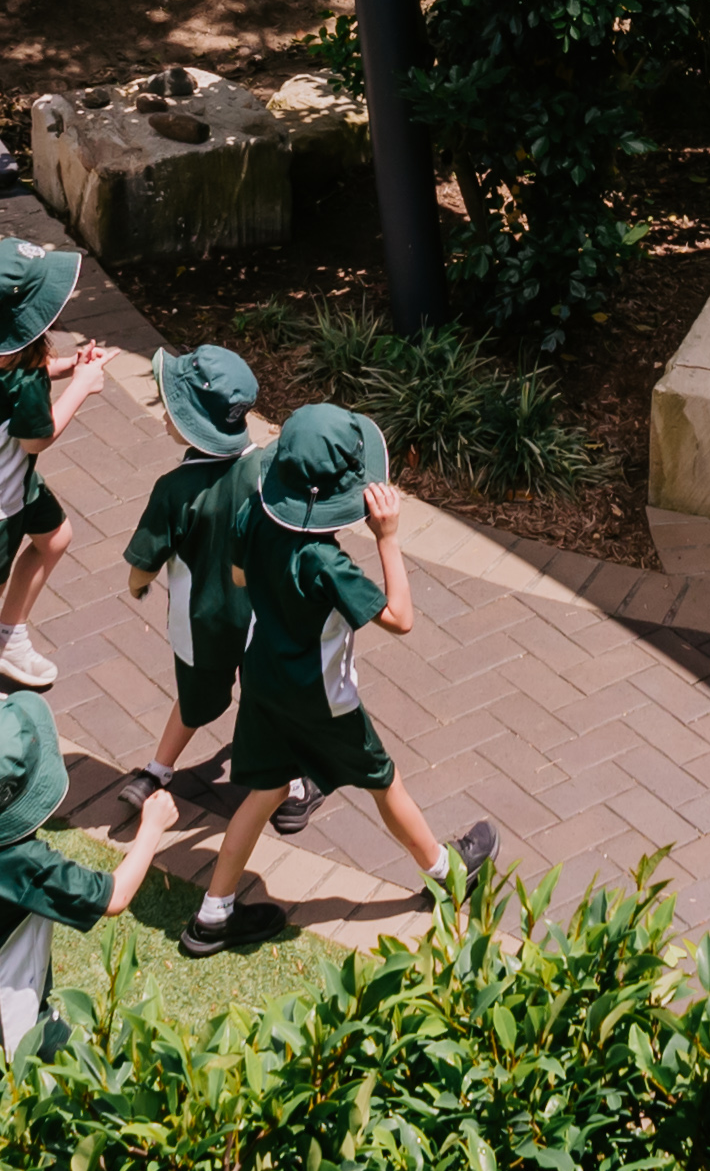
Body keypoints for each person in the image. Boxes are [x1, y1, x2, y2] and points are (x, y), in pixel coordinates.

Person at [179, 404, 495, 958]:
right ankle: (446, 874)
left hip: (262, 679)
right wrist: (388, 538)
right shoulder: (325, 562)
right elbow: (400, 617)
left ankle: (212, 916)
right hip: (323, 698)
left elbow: (237, 575)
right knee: (381, 777)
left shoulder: (252, 514)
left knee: (266, 789)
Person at [0, 685, 182, 1071]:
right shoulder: (19, 861)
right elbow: (114, 897)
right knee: (85, 1078)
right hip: (0, 1018)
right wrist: (151, 830)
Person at [0, 237, 111, 722]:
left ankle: (6, 640)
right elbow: (38, 438)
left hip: (13, 483)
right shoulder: (21, 374)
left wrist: (69, 366)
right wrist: (81, 386)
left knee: (55, 538)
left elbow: (29, 375)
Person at [119, 342, 268, 810]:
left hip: (202, 626)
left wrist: (138, 586)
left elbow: (142, 565)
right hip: (265, 621)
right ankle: (295, 787)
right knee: (272, 702)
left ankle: (157, 771)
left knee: (195, 695)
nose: (165, 411)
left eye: (172, 406)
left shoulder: (174, 491)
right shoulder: (266, 469)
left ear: (192, 424)